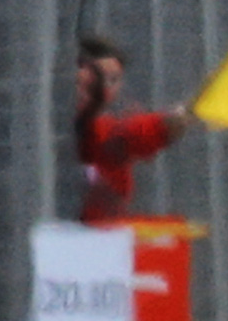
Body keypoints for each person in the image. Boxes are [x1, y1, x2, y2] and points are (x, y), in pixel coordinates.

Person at [71, 34, 183, 225]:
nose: (102, 87)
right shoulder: (85, 129)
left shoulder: (101, 130)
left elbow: (129, 135)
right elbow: (126, 136)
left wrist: (169, 123)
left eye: (113, 80)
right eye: (95, 74)